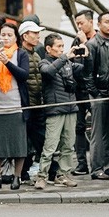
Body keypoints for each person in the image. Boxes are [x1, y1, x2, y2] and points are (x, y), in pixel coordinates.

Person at [34, 34, 91, 189]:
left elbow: (85, 70)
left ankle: (63, 175)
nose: (61, 49)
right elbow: (48, 73)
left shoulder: (68, 63)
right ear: (48, 48)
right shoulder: (44, 62)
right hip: (54, 110)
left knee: (68, 145)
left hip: (71, 108)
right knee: (50, 146)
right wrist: (65, 57)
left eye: (62, 46)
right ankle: (42, 176)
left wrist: (87, 56)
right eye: (58, 46)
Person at [0, 22, 30, 190]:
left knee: (18, 144)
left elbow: (24, 75)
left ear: (16, 37)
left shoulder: (21, 54)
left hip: (16, 105)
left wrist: (7, 62)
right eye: (3, 35)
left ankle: (17, 177)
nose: (6, 38)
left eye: (9, 35)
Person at [83, 11, 109, 181]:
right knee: (97, 133)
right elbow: (87, 73)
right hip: (98, 94)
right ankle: (96, 168)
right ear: (99, 24)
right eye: (107, 22)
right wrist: (96, 94)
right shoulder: (92, 44)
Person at [18, 20, 46, 183]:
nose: (37, 36)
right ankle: (23, 172)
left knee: (41, 139)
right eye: (34, 33)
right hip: (26, 105)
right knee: (26, 141)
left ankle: (49, 170)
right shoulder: (20, 54)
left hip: (39, 104)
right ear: (25, 36)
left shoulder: (37, 53)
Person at [71, 9, 97, 175]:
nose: (79, 27)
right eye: (77, 24)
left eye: (81, 23)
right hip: (79, 89)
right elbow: (74, 63)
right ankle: (82, 164)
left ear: (91, 22)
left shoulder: (99, 40)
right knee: (79, 127)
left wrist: (85, 44)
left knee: (97, 127)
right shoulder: (76, 40)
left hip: (95, 89)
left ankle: (98, 163)